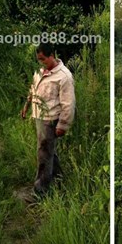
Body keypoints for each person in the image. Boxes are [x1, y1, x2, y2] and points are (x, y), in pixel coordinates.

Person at [21, 43, 76, 196]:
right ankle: (59, 181)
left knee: (43, 153)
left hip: (50, 120)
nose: (41, 62)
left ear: (52, 55)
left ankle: (40, 192)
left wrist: (63, 125)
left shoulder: (63, 76)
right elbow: (33, 89)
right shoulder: (39, 72)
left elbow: (69, 104)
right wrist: (26, 105)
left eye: (43, 59)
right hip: (39, 116)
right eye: (39, 59)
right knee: (48, 151)